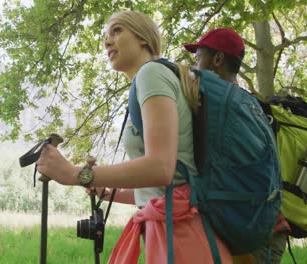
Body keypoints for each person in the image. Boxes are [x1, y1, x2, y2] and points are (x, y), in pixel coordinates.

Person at [36, 10, 231, 263]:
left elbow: (161, 168)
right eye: (105, 35)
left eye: (117, 31)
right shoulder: (151, 80)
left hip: (182, 237)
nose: (107, 42)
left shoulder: (152, 74)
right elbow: (163, 186)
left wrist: (76, 174)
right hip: (175, 230)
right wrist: (107, 192)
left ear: (143, 39)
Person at [183, 28, 291, 264]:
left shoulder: (220, 102)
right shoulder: (247, 102)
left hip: (256, 236)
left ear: (218, 60)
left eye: (198, 57)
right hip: (265, 224)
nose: (194, 65)